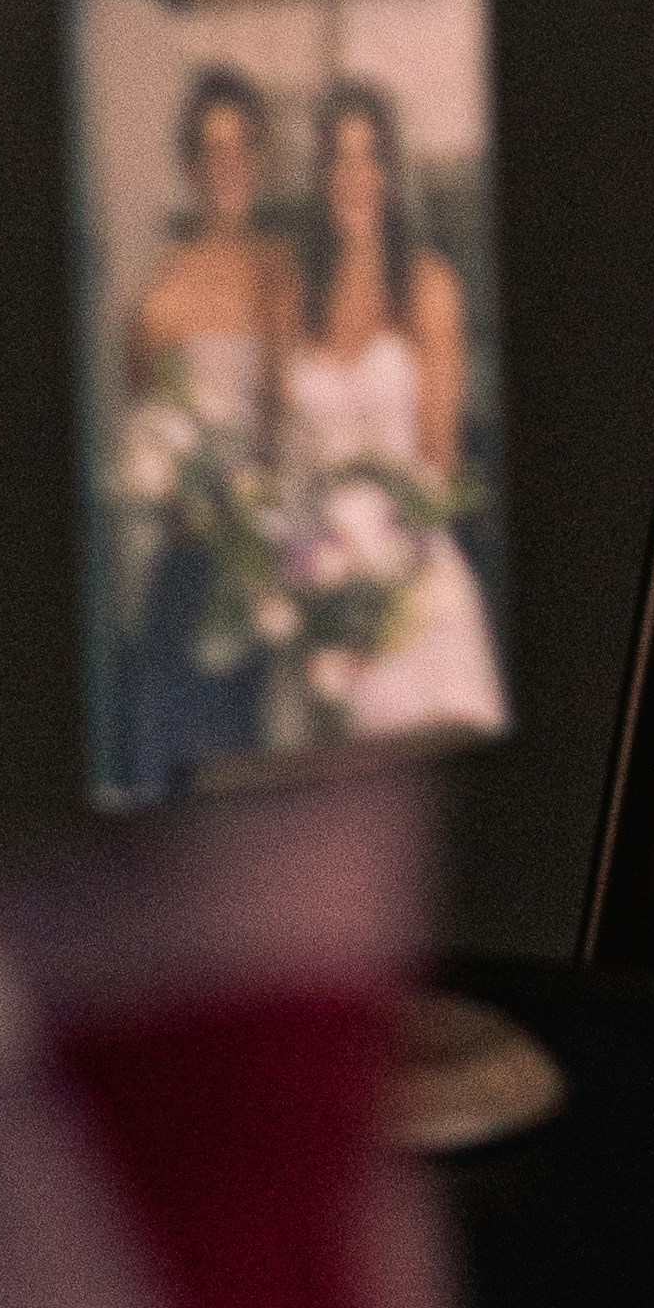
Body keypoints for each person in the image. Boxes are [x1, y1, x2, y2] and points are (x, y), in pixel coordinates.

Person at [281, 80, 507, 741]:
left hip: (412, 575)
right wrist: (320, 579)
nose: (354, 176)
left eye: (369, 156)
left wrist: (379, 580)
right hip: (319, 586)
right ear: (321, 174)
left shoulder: (431, 285)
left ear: (390, 170)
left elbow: (440, 459)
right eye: (337, 158)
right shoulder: (296, 297)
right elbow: (288, 456)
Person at [114, 65, 296, 794]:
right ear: (190, 165)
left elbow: (294, 412)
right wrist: (189, 505)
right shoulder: (159, 291)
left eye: (243, 146)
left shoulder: (286, 270)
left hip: (283, 555)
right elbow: (146, 440)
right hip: (193, 559)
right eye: (212, 149)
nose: (229, 166)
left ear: (262, 158)